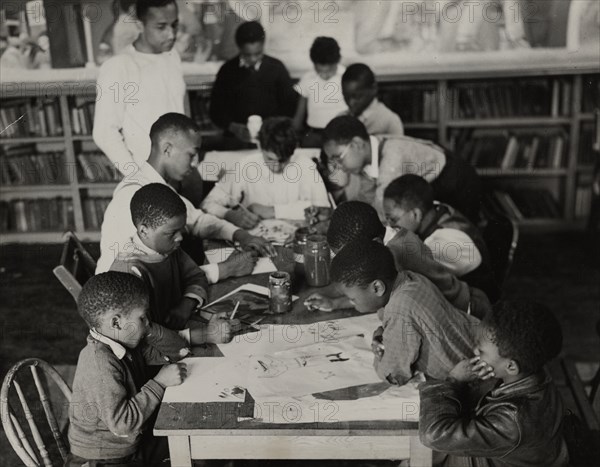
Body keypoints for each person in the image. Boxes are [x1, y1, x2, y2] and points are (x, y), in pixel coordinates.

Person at [96, 113, 274, 281]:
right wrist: (226, 269)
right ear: (167, 149)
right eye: (191, 154)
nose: (195, 162)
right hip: (125, 298)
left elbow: (198, 220)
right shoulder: (136, 197)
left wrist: (241, 235)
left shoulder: (157, 185)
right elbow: (156, 279)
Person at [419, 301, 569, 467]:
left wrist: (453, 380)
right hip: (508, 455)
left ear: (511, 366)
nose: (475, 351)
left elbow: (432, 435)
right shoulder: (534, 373)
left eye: (481, 351)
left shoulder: (513, 421)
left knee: (422, 449)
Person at [66, 272, 188, 466]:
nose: (148, 322)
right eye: (142, 317)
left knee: (190, 444)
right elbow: (123, 425)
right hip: (104, 459)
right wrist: (159, 383)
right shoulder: (100, 363)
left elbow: (178, 351)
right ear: (116, 322)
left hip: (131, 444)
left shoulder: (125, 343)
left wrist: (146, 328)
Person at [305, 201, 492, 319]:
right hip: (464, 299)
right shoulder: (393, 234)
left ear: (375, 243)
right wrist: (335, 303)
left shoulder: (395, 257)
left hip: (466, 312)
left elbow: (380, 299)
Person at [330, 240, 479, 386]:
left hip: (464, 379)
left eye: (353, 299)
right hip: (475, 349)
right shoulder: (411, 278)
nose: (351, 303)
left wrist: (378, 351)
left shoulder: (399, 311)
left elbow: (393, 375)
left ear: (377, 288)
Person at [110, 183, 240, 345]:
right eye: (172, 233)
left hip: (182, 330)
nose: (180, 238)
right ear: (144, 230)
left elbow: (195, 276)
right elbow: (143, 337)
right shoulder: (129, 272)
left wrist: (186, 304)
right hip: (159, 354)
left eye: (181, 229)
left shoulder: (168, 246)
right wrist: (204, 335)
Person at [321, 115, 482, 222]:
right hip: (429, 180)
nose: (338, 166)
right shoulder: (367, 153)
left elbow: (383, 211)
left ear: (357, 144)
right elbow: (366, 197)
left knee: (459, 229)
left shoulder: (392, 160)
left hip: (454, 181)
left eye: (338, 158)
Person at [93, 0, 185, 172]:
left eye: (175, 25)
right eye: (161, 27)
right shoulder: (119, 66)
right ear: (140, 25)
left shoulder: (172, 58)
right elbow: (104, 133)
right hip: (147, 173)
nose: (171, 34)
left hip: (180, 169)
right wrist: (136, 176)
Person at [384, 174, 499, 302]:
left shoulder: (441, 242)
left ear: (416, 214)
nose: (389, 225)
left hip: (476, 309)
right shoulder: (437, 209)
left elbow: (411, 275)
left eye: (393, 219)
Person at [201, 117, 330, 228]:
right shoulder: (246, 165)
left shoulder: (305, 166)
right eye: (270, 159)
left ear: (293, 151)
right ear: (261, 147)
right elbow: (207, 204)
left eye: (283, 160)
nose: (277, 167)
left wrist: (272, 211)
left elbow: (324, 211)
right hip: (254, 240)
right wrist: (229, 215)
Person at [209, 21, 299, 149]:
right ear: (239, 48)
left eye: (258, 54)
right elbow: (215, 110)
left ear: (263, 46)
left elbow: (289, 106)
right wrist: (233, 127)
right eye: (247, 55)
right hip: (236, 138)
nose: (253, 59)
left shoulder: (277, 68)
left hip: (272, 137)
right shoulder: (227, 71)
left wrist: (271, 127)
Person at [292, 37, 348, 148]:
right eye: (320, 71)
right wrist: (293, 134)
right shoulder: (307, 78)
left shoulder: (347, 77)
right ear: (313, 64)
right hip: (314, 134)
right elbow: (300, 113)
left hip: (341, 134)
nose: (324, 76)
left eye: (329, 71)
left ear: (337, 61)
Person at [341, 63, 404, 137]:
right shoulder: (340, 118)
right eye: (346, 97)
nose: (351, 103)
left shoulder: (390, 121)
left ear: (374, 88)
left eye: (358, 96)